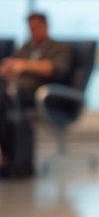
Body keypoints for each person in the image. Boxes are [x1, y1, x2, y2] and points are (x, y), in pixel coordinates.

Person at [0, 13, 72, 177]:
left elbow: (55, 68)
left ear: (45, 26)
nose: (33, 32)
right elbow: (12, 65)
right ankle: (9, 160)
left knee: (7, 105)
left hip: (47, 95)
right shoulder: (26, 48)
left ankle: (11, 161)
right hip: (16, 92)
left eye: (36, 28)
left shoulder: (60, 48)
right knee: (7, 112)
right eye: (30, 29)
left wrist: (24, 66)